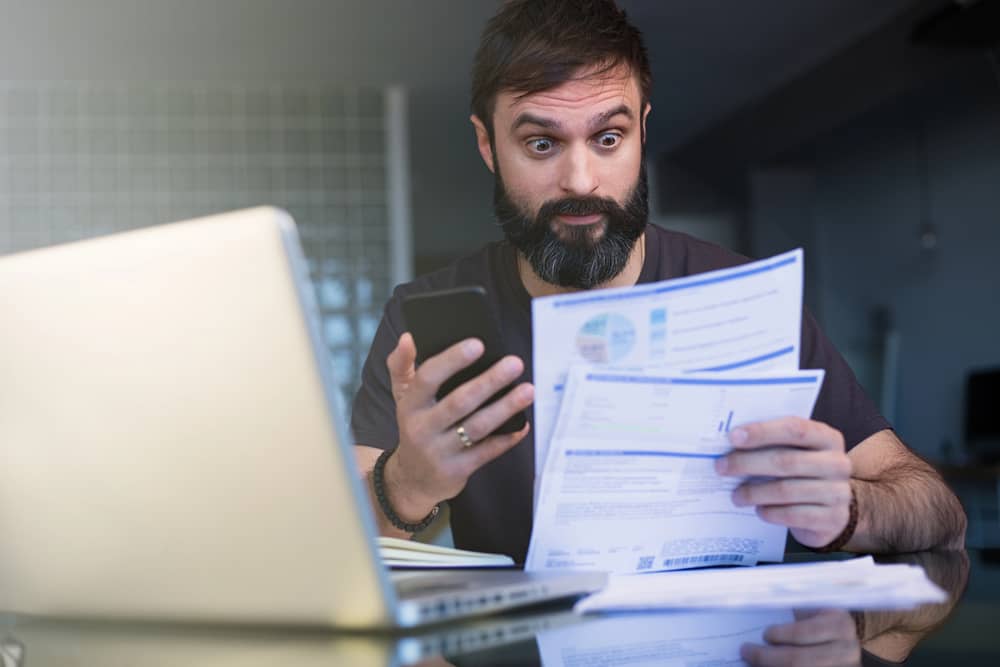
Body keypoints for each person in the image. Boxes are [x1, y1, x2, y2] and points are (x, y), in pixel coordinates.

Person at [352, 0, 966, 561]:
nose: (581, 180)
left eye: (609, 138)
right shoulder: (423, 318)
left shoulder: (741, 300)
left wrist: (847, 508)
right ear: (488, 145)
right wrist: (408, 483)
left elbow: (939, 513)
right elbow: (337, 547)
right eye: (541, 143)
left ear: (642, 130)